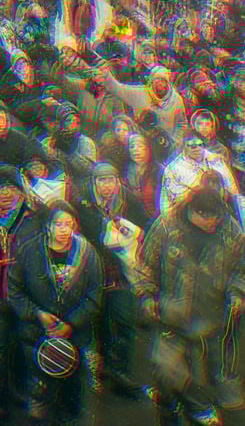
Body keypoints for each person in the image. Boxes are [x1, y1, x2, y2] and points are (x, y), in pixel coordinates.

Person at [135, 184, 245, 426]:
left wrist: (238, 293)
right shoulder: (166, 227)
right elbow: (145, 266)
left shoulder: (229, 228)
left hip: (211, 322)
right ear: (193, 212)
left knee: (203, 379)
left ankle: (197, 410)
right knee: (168, 376)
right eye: (208, 218)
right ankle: (177, 414)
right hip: (169, 317)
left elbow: (241, 269)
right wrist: (146, 297)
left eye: (217, 217)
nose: (213, 223)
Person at [8, 200, 103, 426]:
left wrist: (70, 323)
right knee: (40, 392)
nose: (63, 229)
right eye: (58, 224)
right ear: (47, 226)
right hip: (36, 334)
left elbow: (94, 295)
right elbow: (14, 289)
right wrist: (37, 314)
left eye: (68, 224)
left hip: (74, 336)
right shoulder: (29, 250)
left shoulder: (87, 253)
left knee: (71, 395)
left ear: (75, 226)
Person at [75, 162, 150, 399]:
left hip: (122, 273)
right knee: (100, 323)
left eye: (111, 180)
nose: (107, 185)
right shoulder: (83, 205)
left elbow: (147, 225)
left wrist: (134, 238)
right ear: (94, 183)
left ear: (118, 181)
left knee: (125, 320)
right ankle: (102, 368)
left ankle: (122, 372)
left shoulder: (128, 200)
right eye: (102, 180)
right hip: (93, 273)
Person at [0, 165, 44, 420]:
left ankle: (32, 398)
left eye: (9, 187)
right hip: (2, 299)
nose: (4, 194)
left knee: (29, 348)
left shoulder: (34, 219)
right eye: (0, 188)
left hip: (28, 297)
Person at [100, 64, 187, 148]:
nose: (160, 83)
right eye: (157, 80)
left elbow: (181, 123)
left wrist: (176, 141)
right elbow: (119, 89)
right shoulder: (140, 93)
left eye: (163, 80)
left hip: (168, 144)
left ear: (168, 82)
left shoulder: (176, 99)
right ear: (151, 81)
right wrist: (107, 76)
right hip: (144, 146)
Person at [160, 129, 238, 214]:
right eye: (192, 146)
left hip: (220, 209)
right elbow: (176, 202)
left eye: (199, 145)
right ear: (184, 146)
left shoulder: (216, 160)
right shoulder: (173, 168)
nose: (196, 148)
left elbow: (233, 190)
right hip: (187, 214)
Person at [123, 133, 163, 220]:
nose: (135, 150)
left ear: (148, 148)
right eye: (132, 147)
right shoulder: (125, 170)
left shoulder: (158, 170)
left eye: (140, 146)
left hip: (158, 218)